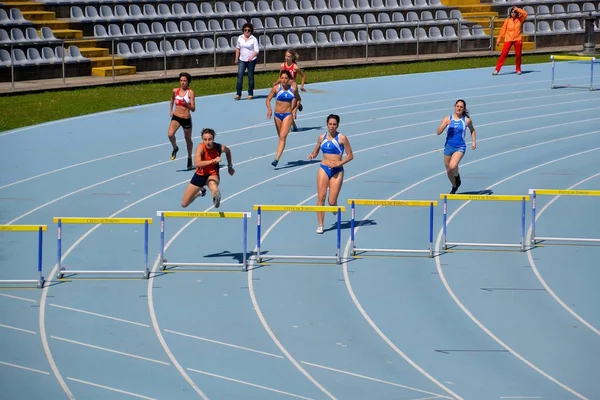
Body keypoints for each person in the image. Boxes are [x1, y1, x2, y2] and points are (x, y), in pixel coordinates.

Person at [307, 114, 354, 234]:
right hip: (324, 168)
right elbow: (316, 151)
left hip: (337, 170)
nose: (332, 126)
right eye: (330, 124)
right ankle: (320, 225)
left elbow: (350, 156)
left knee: (331, 201)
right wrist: (312, 155)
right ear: (327, 124)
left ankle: (334, 205)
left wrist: (339, 163)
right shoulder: (321, 137)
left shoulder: (342, 138)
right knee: (321, 196)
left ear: (337, 125)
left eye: (334, 124)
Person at [181, 128, 235, 209]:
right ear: (202, 139)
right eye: (205, 139)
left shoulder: (220, 147)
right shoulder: (200, 148)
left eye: (210, 139)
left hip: (212, 173)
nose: (207, 142)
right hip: (200, 175)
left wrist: (230, 166)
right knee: (184, 204)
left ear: (213, 139)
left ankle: (216, 196)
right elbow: (197, 163)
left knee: (212, 184)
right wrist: (213, 161)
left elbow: (228, 151)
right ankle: (200, 193)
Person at [436, 99, 476, 194]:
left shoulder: (466, 120)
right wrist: (444, 125)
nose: (459, 108)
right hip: (448, 147)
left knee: (453, 166)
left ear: (464, 109)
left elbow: (472, 130)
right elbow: (438, 132)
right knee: (449, 170)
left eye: (461, 107)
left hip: (460, 147)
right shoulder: (447, 118)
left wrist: (474, 141)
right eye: (457, 106)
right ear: (454, 107)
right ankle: (454, 186)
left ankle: (457, 175)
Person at [266, 70, 302, 168]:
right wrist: (269, 109)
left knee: (282, 136)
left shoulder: (293, 89)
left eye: (286, 78)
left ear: (289, 79)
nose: (284, 80)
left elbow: (298, 98)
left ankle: (276, 159)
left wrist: (294, 110)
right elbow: (268, 100)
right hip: (277, 115)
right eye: (282, 78)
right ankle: (278, 154)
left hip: (287, 115)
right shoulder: (276, 88)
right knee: (280, 137)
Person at [273, 49, 307, 132]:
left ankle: (296, 107)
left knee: (290, 108)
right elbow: (280, 77)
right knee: (286, 109)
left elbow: (303, 76)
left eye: (288, 56)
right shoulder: (282, 66)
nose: (287, 58)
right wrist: (276, 82)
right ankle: (294, 125)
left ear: (292, 57)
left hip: (293, 88)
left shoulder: (295, 67)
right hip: (284, 88)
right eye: (286, 56)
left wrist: (302, 85)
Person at [168, 72, 195, 170]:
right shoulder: (175, 91)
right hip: (176, 117)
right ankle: (175, 148)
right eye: (181, 80)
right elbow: (171, 99)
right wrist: (171, 110)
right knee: (170, 134)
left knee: (188, 139)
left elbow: (193, 109)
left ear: (188, 82)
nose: (182, 83)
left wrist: (186, 104)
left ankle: (189, 158)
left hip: (186, 118)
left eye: (185, 81)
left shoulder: (190, 93)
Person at [493, 5, 528, 76]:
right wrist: (499, 39)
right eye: (512, 12)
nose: (513, 13)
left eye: (514, 12)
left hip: (517, 39)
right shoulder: (507, 20)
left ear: (517, 13)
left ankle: (518, 69)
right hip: (508, 39)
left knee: (518, 55)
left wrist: (517, 9)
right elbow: (503, 30)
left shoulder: (520, 19)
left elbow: (525, 14)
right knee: (504, 54)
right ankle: (497, 69)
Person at [234, 23, 259, 100]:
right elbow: (238, 48)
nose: (247, 32)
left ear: (251, 31)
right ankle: (238, 93)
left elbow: (256, 50)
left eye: (248, 30)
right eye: (245, 30)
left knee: (250, 76)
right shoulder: (240, 38)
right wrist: (236, 58)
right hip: (242, 60)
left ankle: (250, 93)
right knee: (240, 76)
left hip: (251, 61)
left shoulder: (253, 39)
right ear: (243, 31)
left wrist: (251, 57)